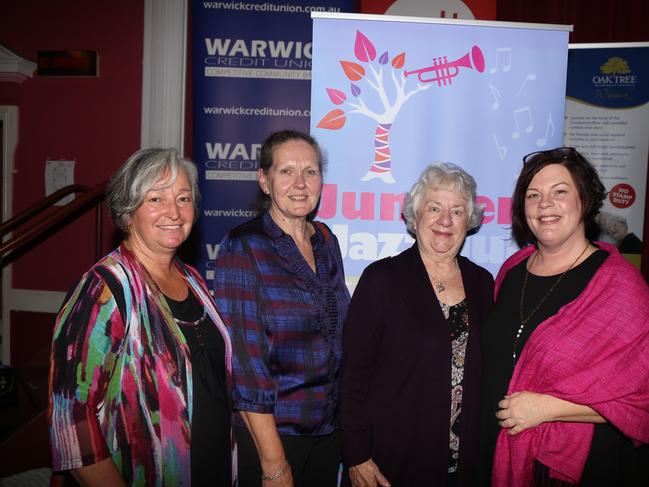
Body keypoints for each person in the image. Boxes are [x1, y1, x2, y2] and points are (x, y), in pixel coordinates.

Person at [49, 148, 235, 486]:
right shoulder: (102, 289)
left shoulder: (193, 281)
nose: (174, 212)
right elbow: (71, 423)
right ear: (127, 211)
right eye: (155, 199)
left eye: (183, 197)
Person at [477, 147, 649, 486]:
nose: (544, 204)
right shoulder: (511, 271)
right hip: (492, 453)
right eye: (533, 195)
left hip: (570, 468)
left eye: (559, 192)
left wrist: (548, 408)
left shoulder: (621, 287)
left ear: (584, 200)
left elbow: (642, 399)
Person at [340, 163, 494, 486]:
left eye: (456, 211)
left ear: (468, 221)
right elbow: (352, 375)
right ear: (416, 215)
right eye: (434, 208)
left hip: (464, 466)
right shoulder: (381, 280)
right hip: (392, 463)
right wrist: (356, 455)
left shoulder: (482, 283)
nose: (445, 221)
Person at [213, 130, 350, 487]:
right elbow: (245, 364)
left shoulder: (326, 240)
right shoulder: (244, 246)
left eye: (311, 171)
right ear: (264, 180)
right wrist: (274, 464)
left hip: (328, 433)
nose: (300, 183)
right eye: (286, 171)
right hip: (274, 437)